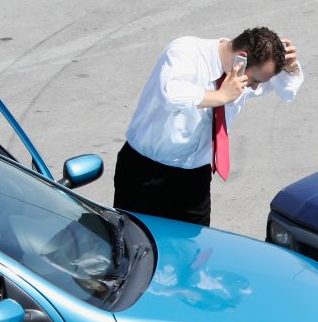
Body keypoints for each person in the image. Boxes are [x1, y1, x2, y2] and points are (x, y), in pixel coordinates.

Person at [113, 27, 303, 226]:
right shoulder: (185, 51)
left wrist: (291, 67)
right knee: (134, 248)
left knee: (195, 250)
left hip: (195, 180)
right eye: (255, 80)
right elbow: (171, 94)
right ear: (241, 59)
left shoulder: (241, 76)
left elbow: (287, 92)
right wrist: (221, 96)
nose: (255, 87)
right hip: (146, 174)